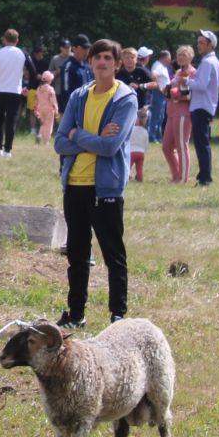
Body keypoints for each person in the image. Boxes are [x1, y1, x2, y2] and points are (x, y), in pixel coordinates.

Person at [53, 39, 137, 328]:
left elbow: (111, 146)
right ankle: (76, 314)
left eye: (107, 57)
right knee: (77, 255)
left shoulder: (125, 98)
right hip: (74, 184)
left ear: (116, 63)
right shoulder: (78, 96)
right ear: (90, 62)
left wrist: (79, 135)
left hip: (106, 188)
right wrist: (91, 138)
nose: (101, 62)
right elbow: (60, 142)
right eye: (96, 57)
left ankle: (118, 316)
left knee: (113, 254)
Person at [0, 28, 28, 158]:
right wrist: (28, 87)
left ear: (4, 39)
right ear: (17, 40)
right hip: (15, 91)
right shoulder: (22, 53)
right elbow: (32, 69)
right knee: (11, 121)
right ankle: (8, 150)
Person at [190, 30, 219, 185]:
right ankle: (204, 175)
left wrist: (186, 83)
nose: (198, 45)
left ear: (211, 45)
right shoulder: (212, 61)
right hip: (205, 105)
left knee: (202, 143)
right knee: (203, 143)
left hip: (202, 106)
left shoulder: (208, 62)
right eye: (198, 42)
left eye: (202, 43)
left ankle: (205, 178)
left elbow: (201, 85)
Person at [162, 45, 195, 181]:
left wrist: (178, 94)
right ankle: (176, 174)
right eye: (179, 55)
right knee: (166, 146)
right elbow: (170, 90)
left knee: (182, 144)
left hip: (183, 112)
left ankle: (182, 177)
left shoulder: (193, 73)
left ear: (190, 57)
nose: (181, 57)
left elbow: (191, 94)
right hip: (171, 111)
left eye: (184, 54)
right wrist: (168, 90)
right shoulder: (177, 73)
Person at [34, 69, 60, 143]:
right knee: (49, 124)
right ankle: (46, 140)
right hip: (49, 109)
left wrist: (36, 109)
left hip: (40, 108)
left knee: (43, 123)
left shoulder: (38, 89)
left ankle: (39, 134)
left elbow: (36, 99)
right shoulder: (50, 89)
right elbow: (53, 100)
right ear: (49, 80)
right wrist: (56, 109)